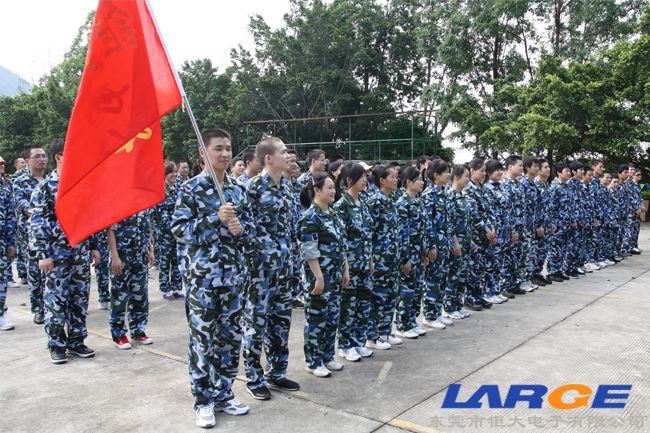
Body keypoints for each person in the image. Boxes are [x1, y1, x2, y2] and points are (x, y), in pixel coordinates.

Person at [171, 128, 255, 427]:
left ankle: (224, 393)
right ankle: (203, 400)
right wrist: (213, 219)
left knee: (231, 340)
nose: (225, 154)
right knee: (202, 342)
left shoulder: (239, 190)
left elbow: (253, 233)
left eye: (228, 148)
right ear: (203, 152)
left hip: (234, 280)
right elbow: (179, 230)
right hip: (204, 282)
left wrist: (241, 230)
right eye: (218, 148)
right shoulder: (190, 189)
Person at [29, 139, 101, 363]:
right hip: (56, 255)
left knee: (79, 300)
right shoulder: (46, 187)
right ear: (58, 157)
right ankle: (57, 344)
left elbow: (90, 218)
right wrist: (43, 254)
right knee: (56, 300)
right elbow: (38, 222)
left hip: (79, 254)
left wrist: (94, 246)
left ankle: (77, 341)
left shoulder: (81, 184)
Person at [242, 136, 301, 400]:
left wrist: (294, 265)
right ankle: (253, 377)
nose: (288, 156)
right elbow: (242, 231)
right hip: (260, 273)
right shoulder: (252, 188)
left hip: (284, 269)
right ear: (268, 158)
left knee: (281, 323)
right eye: (283, 151)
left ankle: (276, 372)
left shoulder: (288, 188)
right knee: (256, 325)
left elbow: (291, 230)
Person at [298, 171, 349, 377]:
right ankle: (313, 361)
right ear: (316, 190)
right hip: (319, 277)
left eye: (333, 187)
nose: (333, 191)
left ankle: (327, 356)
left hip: (335, 275)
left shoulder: (333, 214)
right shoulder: (310, 217)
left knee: (332, 318)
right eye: (329, 188)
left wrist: (345, 269)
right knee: (316, 319)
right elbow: (309, 250)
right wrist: (318, 277)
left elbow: (341, 244)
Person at [332, 163, 374, 361]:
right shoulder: (342, 206)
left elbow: (368, 235)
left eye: (366, 176)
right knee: (348, 306)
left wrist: (371, 259)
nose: (365, 180)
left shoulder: (363, 202)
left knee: (363, 305)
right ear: (350, 180)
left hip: (365, 263)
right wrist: (345, 267)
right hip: (351, 265)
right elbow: (341, 240)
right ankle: (346, 345)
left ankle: (358, 341)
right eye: (361, 177)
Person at [108, 208, 155, 349]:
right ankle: (119, 334)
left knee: (140, 296)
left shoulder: (142, 205)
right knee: (119, 297)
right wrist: (115, 256)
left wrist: (150, 251)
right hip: (122, 258)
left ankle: (138, 330)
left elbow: (147, 230)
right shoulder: (118, 203)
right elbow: (110, 231)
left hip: (139, 258)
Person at [366, 165, 402, 349]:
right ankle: (372, 336)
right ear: (382, 180)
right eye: (393, 177)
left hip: (391, 258)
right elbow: (369, 232)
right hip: (380, 258)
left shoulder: (391, 200)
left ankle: (385, 331)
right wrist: (372, 258)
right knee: (377, 297)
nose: (396, 180)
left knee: (390, 295)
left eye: (396, 177)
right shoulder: (375, 202)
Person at [395, 167, 430, 338]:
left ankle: (412, 321)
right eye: (419, 180)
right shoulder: (402, 203)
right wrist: (405, 259)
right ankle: (402, 324)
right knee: (406, 291)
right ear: (409, 182)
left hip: (419, 254)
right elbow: (403, 234)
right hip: (409, 254)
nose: (422, 182)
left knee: (417, 290)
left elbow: (423, 229)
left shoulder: (419, 201)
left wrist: (424, 252)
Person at [14, 146, 47, 324]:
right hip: (31, 234)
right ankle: (38, 309)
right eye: (37, 157)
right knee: (35, 272)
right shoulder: (20, 180)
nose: (42, 159)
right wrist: (39, 212)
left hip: (52, 234)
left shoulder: (52, 179)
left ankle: (53, 306)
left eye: (44, 156)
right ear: (28, 161)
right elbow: (22, 204)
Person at [421, 160, 455, 328]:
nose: (449, 175)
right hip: (436, 244)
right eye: (446, 172)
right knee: (433, 280)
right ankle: (429, 315)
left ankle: (437, 312)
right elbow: (428, 224)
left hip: (444, 243)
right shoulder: (429, 194)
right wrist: (431, 246)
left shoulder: (445, 193)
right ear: (436, 175)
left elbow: (447, 221)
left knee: (441, 279)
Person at [463, 159, 498, 308]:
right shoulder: (468, 189)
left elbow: (490, 211)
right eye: (481, 170)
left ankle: (479, 295)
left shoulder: (484, 188)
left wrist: (493, 229)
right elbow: (474, 214)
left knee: (482, 266)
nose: (484, 173)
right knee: (473, 267)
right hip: (475, 235)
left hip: (487, 235)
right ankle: (470, 298)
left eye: (485, 171)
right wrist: (486, 230)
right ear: (472, 170)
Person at [443, 164, 472, 319]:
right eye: (466, 176)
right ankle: (448, 307)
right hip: (456, 243)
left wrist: (470, 240)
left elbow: (466, 221)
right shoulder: (450, 196)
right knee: (453, 275)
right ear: (456, 177)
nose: (468, 179)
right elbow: (450, 223)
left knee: (462, 275)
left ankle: (457, 305)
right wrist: (454, 243)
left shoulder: (463, 196)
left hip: (465, 241)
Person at [484, 160, 515, 300]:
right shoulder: (487, 188)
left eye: (501, 170)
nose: (500, 172)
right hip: (495, 231)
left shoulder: (502, 187)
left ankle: (496, 290)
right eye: (497, 170)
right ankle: (489, 292)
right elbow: (488, 212)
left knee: (500, 262)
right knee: (491, 262)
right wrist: (492, 230)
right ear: (489, 172)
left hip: (504, 230)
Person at [154, 161, 183, 300]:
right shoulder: (161, 190)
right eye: (171, 172)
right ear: (165, 174)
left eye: (175, 171)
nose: (174, 174)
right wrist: (174, 231)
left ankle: (176, 288)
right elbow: (162, 215)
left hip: (179, 232)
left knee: (177, 261)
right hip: (165, 234)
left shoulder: (178, 187)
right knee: (165, 262)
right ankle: (165, 289)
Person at [546, 162, 575, 281]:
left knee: (563, 248)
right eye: (566, 171)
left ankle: (559, 270)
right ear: (559, 173)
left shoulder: (566, 187)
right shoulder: (554, 187)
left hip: (566, 223)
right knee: (555, 247)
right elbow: (551, 207)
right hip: (557, 224)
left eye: (569, 171)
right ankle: (552, 271)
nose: (569, 173)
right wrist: (552, 223)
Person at [0, 155, 16, 331]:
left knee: (1, 280)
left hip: (2, 240)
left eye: (3, 164)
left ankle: (0, 314)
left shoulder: (6, 186)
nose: (1, 166)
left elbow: (11, 216)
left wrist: (11, 242)